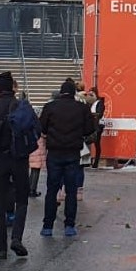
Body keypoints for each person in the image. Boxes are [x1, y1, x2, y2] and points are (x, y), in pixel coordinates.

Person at [0, 71, 40, 259]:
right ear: (13, 89)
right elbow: (37, 129)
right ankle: (17, 238)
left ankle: (1, 248)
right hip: (20, 159)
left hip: (0, 160)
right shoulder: (24, 107)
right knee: (21, 200)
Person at [38, 80, 96, 237]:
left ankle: (47, 226)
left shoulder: (50, 107)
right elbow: (90, 129)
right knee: (71, 191)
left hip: (54, 152)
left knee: (52, 189)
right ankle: (69, 225)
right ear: (74, 93)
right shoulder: (82, 108)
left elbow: (41, 127)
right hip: (72, 153)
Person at [88, 87, 106, 169]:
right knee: (89, 142)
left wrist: (92, 115)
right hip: (91, 124)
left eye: (92, 94)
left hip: (98, 125)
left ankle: (96, 162)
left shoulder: (100, 103)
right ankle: (88, 160)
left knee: (97, 143)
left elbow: (100, 113)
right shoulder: (90, 103)